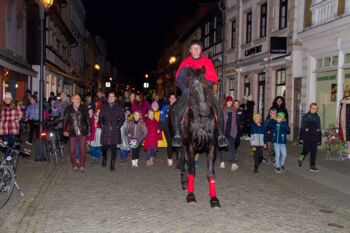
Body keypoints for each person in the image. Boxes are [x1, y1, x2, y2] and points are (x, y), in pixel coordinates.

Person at [172, 40, 228, 148]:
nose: (196, 50)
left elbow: (213, 78)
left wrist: (205, 86)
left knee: (218, 110)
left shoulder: (207, 62)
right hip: (189, 91)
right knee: (177, 111)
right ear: (190, 50)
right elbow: (180, 78)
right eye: (194, 48)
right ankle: (177, 135)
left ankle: (221, 136)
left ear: (201, 50)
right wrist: (184, 89)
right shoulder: (185, 63)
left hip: (204, 91)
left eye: (198, 48)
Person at [63, 95, 90, 171]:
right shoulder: (68, 109)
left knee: (83, 149)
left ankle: (82, 164)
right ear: (72, 100)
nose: (77, 100)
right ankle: (74, 164)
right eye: (75, 99)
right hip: (72, 132)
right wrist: (64, 130)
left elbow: (87, 119)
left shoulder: (84, 108)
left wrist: (89, 130)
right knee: (72, 149)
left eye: (78, 99)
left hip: (83, 131)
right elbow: (65, 120)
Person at [99, 92, 125, 171]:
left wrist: (118, 126)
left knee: (114, 148)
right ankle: (104, 157)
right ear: (107, 98)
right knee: (104, 147)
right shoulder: (103, 107)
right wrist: (102, 124)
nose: (111, 98)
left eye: (112, 96)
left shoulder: (119, 107)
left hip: (115, 129)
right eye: (109, 96)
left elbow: (122, 118)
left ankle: (112, 165)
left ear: (115, 98)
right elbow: (101, 117)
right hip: (106, 129)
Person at [298, 103, 322, 172]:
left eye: (316, 108)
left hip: (314, 137)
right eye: (313, 108)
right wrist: (301, 138)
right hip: (306, 137)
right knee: (305, 150)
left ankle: (312, 166)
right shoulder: (305, 116)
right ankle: (301, 158)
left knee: (314, 151)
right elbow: (302, 127)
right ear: (310, 108)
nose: (314, 110)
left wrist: (319, 139)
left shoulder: (317, 117)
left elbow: (319, 128)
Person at [219, 96, 239, 171]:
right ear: (226, 102)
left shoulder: (234, 111)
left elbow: (237, 122)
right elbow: (220, 122)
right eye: (228, 101)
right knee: (222, 147)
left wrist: (237, 131)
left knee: (232, 147)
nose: (230, 102)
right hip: (223, 131)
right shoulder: (222, 111)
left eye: (231, 101)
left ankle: (234, 163)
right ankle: (222, 161)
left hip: (232, 131)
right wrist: (220, 133)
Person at [159, 94, 177, 166]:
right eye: (171, 98)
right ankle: (170, 158)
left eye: (174, 98)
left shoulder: (178, 107)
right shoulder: (165, 107)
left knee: (176, 144)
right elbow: (161, 118)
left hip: (176, 130)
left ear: (175, 99)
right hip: (167, 129)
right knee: (170, 143)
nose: (172, 99)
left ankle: (176, 157)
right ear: (169, 99)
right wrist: (162, 128)